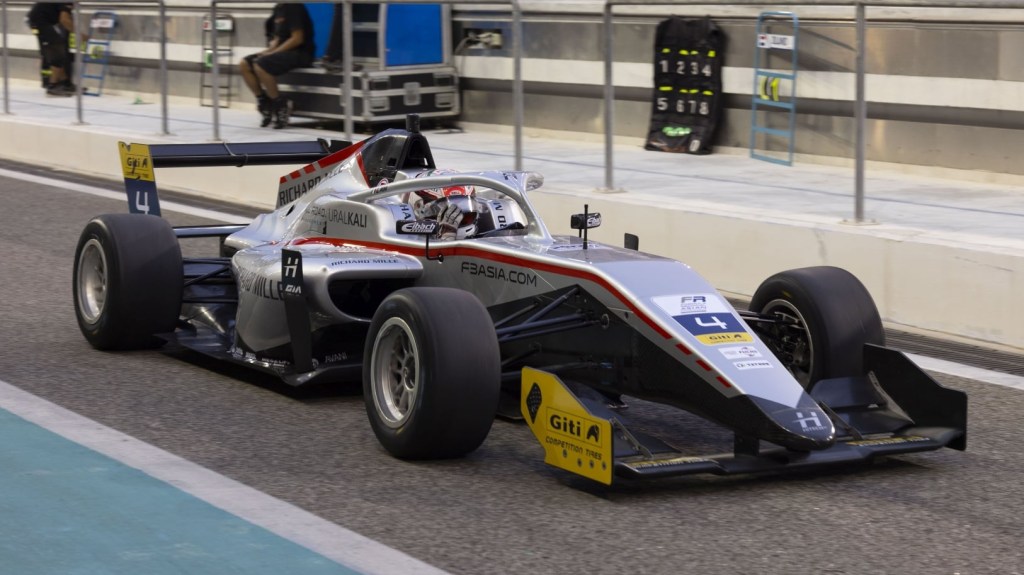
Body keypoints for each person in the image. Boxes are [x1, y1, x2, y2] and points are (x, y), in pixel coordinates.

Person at [239, 3, 314, 129]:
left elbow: (297, 39)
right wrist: (266, 52)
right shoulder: (279, 9)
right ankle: (264, 102)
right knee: (245, 63)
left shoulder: (294, 6)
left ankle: (280, 104)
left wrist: (273, 53)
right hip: (282, 51)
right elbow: (278, 39)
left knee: (261, 64)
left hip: (300, 53)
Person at [27, 2, 78, 97]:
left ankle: (65, 83)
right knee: (56, 49)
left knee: (59, 48)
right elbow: (64, 20)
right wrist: (79, 34)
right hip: (39, 21)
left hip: (39, 19)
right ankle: (53, 86)